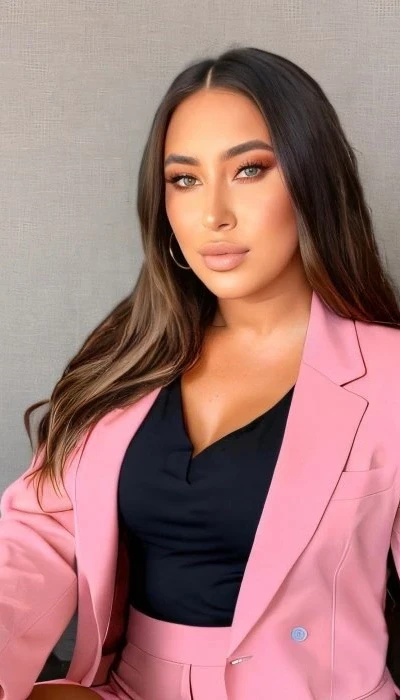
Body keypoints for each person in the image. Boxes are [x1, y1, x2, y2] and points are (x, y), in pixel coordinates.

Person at [1, 45, 400, 700]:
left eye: (250, 170)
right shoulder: (127, 354)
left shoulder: (388, 374)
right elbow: (36, 533)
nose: (213, 213)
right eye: (184, 180)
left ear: (313, 181)